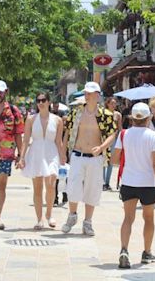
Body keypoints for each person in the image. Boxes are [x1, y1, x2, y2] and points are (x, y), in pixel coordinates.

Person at [112, 102, 155, 269]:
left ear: (131, 118)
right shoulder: (153, 136)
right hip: (148, 183)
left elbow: (114, 159)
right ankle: (147, 252)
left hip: (128, 181)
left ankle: (124, 250)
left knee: (128, 218)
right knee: (148, 219)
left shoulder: (124, 134)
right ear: (148, 118)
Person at [61, 82, 117, 236]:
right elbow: (67, 132)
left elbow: (112, 134)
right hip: (77, 154)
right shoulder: (76, 112)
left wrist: (101, 147)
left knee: (92, 189)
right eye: (86, 93)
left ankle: (88, 222)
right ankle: (72, 216)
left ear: (98, 95)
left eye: (91, 93)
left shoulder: (106, 115)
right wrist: (63, 151)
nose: (88, 95)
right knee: (72, 187)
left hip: (95, 157)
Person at [19, 92, 64, 229]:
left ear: (49, 102)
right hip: (36, 153)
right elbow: (26, 140)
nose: (41, 103)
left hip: (51, 153)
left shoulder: (58, 120)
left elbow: (58, 141)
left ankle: (49, 214)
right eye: (38, 100)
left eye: (43, 100)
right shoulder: (31, 119)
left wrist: (63, 156)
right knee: (37, 188)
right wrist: (21, 157)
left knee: (51, 184)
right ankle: (39, 219)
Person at [0, 80, 24, 230]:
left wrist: (21, 154)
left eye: (0, 92)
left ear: (5, 92)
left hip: (6, 154)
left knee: (0, 185)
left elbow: (18, 134)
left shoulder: (14, 111)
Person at [103, 97, 122, 191]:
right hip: (103, 138)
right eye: (112, 103)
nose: (114, 105)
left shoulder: (117, 114)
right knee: (103, 159)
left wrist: (121, 139)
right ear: (108, 104)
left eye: (115, 103)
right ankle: (102, 182)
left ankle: (107, 182)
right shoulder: (102, 113)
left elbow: (120, 128)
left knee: (111, 160)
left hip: (114, 138)